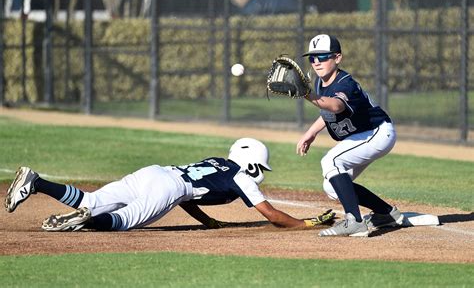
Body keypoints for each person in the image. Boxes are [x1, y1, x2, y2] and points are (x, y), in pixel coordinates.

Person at [5, 137, 333, 232]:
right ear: (251, 161)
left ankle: (38, 182)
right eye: (260, 165)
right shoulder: (241, 177)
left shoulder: (216, 162)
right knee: (119, 223)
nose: (259, 172)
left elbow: (191, 198)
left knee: (90, 198)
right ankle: (88, 219)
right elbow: (272, 215)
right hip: (169, 189)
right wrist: (306, 222)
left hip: (155, 173)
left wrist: (209, 222)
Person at [297, 34, 404, 237]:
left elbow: (336, 106)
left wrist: (307, 94)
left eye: (323, 57)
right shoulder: (321, 82)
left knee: (331, 161)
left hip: (377, 132)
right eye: (312, 58)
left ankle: (354, 221)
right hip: (362, 135)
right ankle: (387, 213)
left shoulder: (346, 83)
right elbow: (327, 111)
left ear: (337, 58)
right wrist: (311, 132)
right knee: (332, 186)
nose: (316, 62)